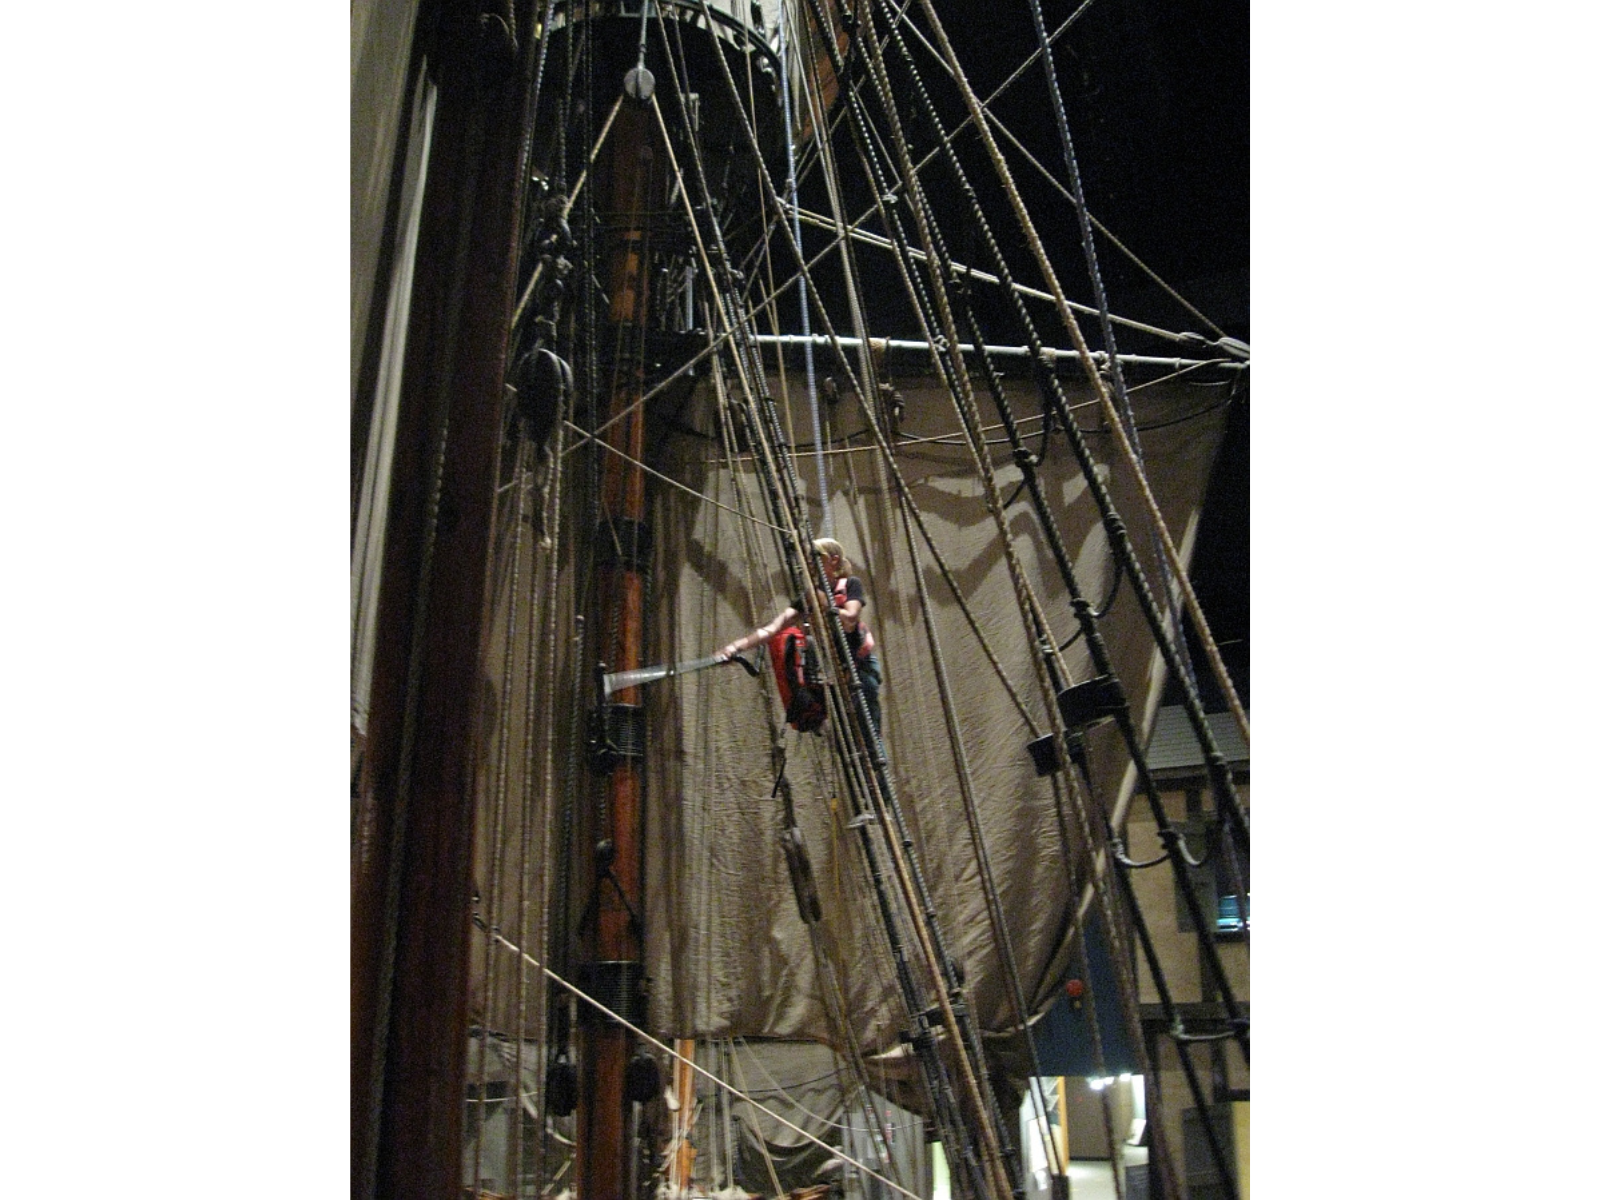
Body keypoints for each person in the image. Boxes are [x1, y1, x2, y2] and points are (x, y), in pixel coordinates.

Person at [718, 538, 882, 733]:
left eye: (815, 557)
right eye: (807, 558)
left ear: (834, 560)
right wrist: (735, 647)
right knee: (846, 738)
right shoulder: (809, 597)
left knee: (868, 735)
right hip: (837, 676)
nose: (809, 563)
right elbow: (771, 630)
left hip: (860, 670)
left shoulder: (849, 585)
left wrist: (823, 604)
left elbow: (850, 617)